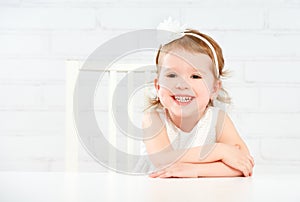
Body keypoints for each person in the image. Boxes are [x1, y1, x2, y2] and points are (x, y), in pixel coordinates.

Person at [140, 24, 254, 178]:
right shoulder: (154, 119)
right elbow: (162, 159)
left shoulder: (217, 120)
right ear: (158, 85)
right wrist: (219, 151)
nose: (181, 85)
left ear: (214, 89)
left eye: (195, 76)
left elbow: (243, 164)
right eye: (172, 75)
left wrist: (195, 170)